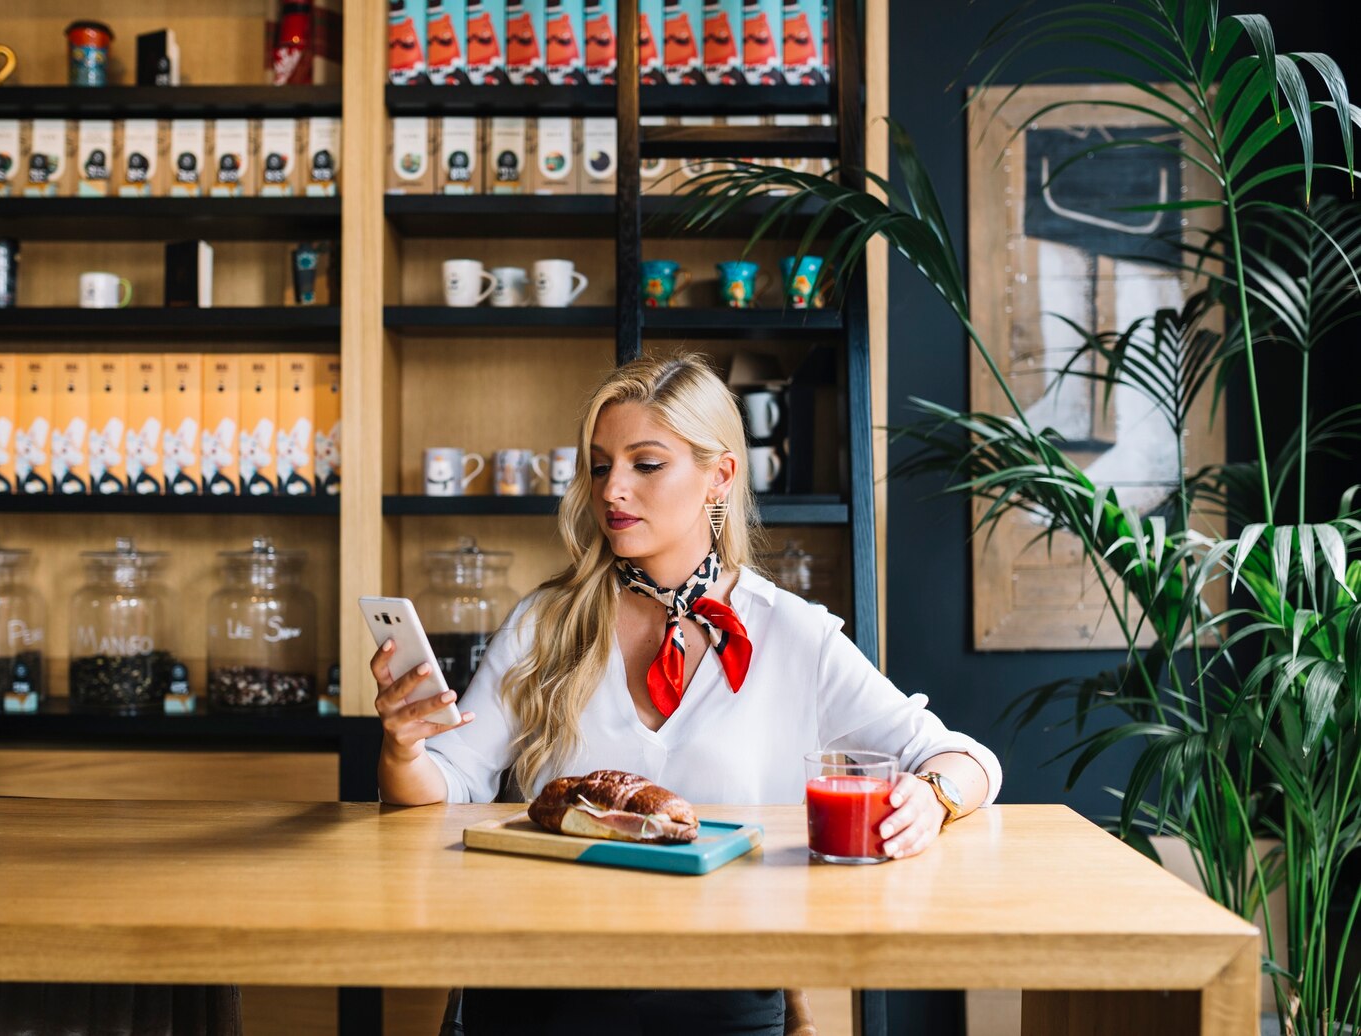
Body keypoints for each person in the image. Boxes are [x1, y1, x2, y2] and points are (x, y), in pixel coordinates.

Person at [372, 354, 1001, 1036]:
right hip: (539, 982)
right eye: (600, 464)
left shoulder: (793, 634)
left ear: (719, 477)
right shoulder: (544, 622)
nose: (613, 489)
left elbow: (962, 757)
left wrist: (933, 799)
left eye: (645, 464)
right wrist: (405, 750)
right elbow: (448, 782)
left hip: (722, 991)